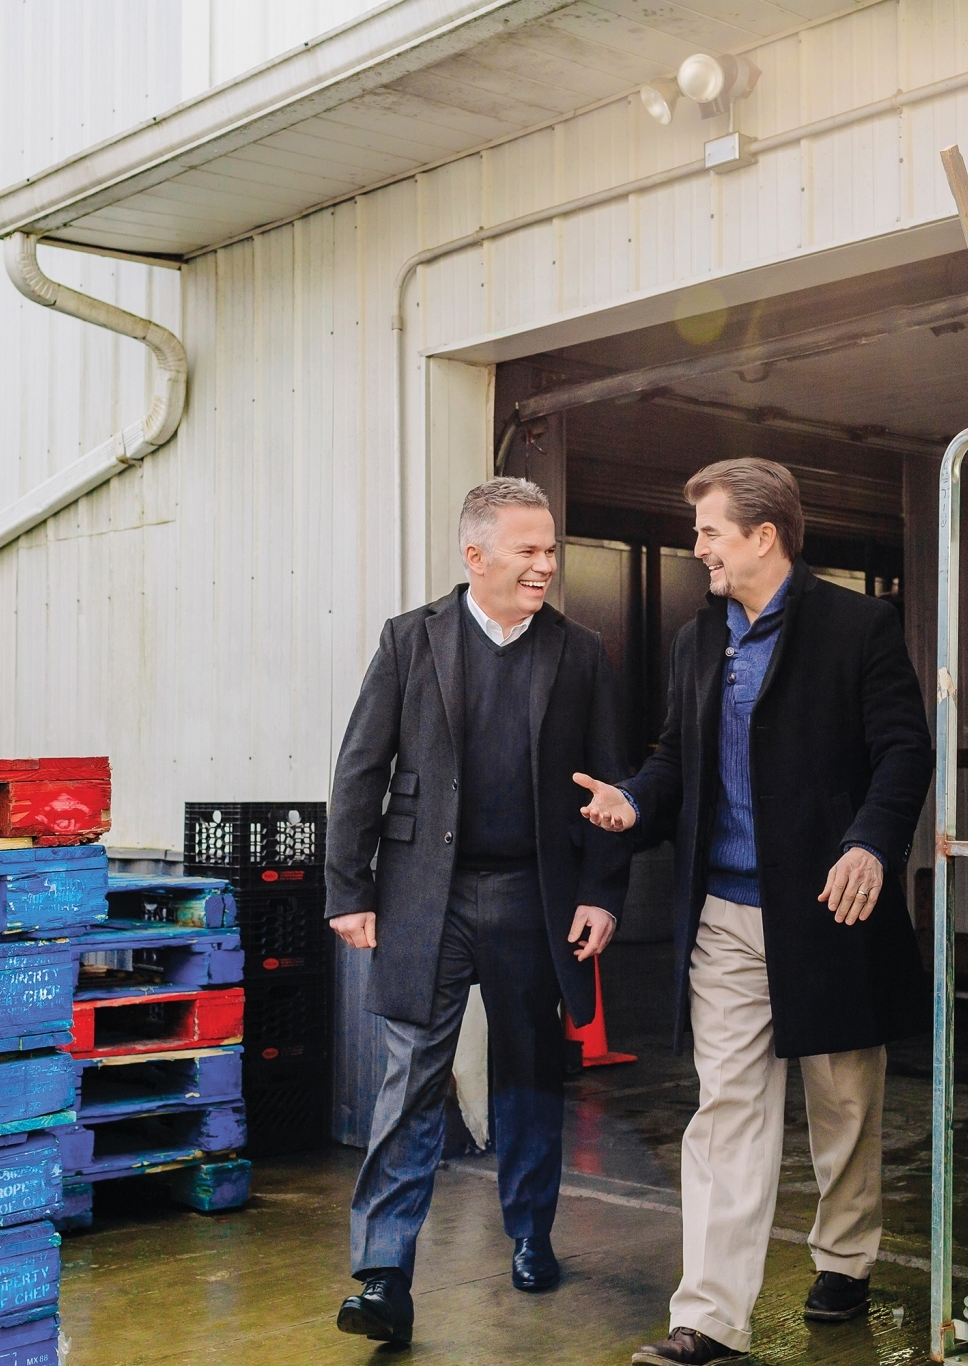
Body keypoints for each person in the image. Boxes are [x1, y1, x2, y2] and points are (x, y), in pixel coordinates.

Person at [576, 457, 934, 1365]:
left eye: (710, 533)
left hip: (830, 912)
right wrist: (634, 802)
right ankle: (709, 1318)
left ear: (763, 537)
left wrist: (869, 843)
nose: (697, 548)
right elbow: (671, 761)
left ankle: (846, 1259)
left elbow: (903, 753)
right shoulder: (698, 642)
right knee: (726, 1110)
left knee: (844, 1102)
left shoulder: (861, 627)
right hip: (728, 915)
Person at [326, 477, 632, 1346]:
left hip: (537, 897)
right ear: (476, 555)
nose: (545, 566)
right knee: (410, 1078)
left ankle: (531, 1233)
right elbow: (360, 768)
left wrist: (603, 894)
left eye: (551, 552)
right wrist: (348, 889)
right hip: (430, 895)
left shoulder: (580, 653)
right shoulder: (410, 640)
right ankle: (384, 1273)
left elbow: (609, 784)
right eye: (528, 551)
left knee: (531, 1073)